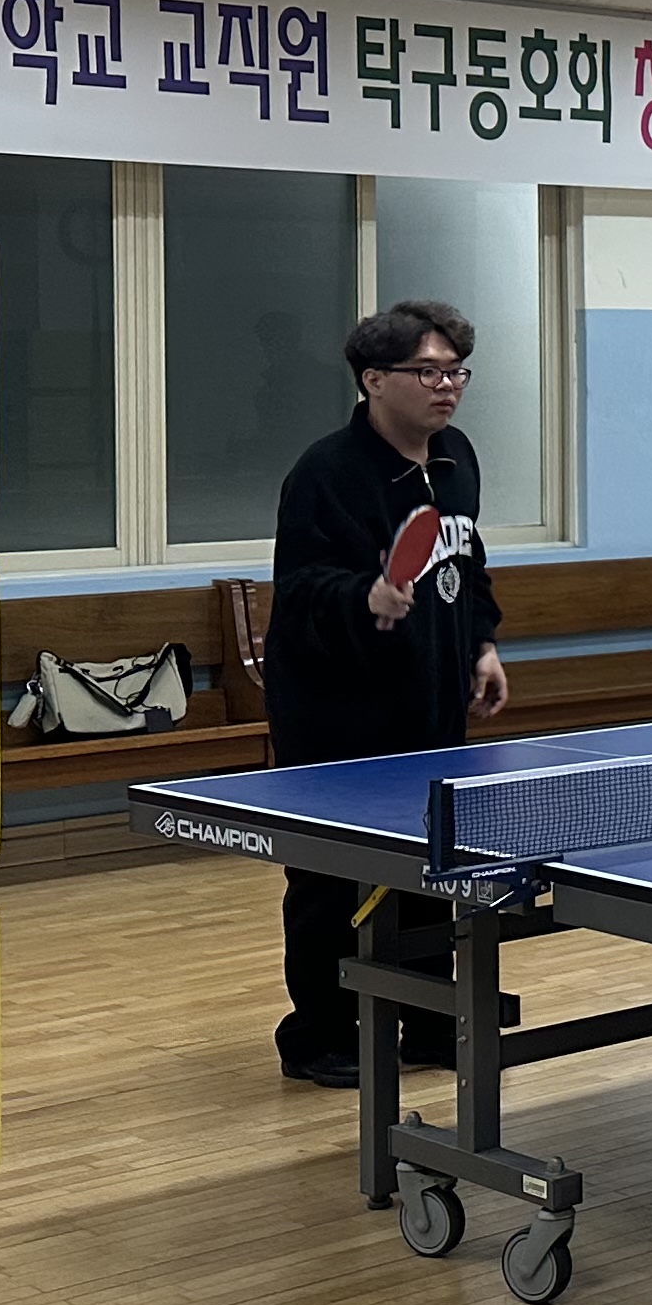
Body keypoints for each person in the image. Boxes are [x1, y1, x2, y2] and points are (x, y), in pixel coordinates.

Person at [264, 300, 509, 1086]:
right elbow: (300, 590)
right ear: (373, 379)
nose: (448, 386)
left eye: (456, 371)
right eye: (427, 372)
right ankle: (319, 1035)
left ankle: (432, 1022)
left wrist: (482, 644)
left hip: (430, 701)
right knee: (330, 879)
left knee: (436, 864)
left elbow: (467, 564)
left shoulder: (457, 458)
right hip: (335, 711)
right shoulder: (326, 474)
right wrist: (361, 597)